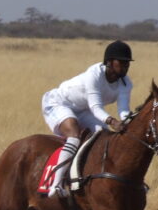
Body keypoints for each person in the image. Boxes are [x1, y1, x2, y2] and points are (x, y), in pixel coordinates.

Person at [40, 40, 134, 198]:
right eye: (122, 62)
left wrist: (126, 120)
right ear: (109, 62)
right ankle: (56, 185)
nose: (125, 66)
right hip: (57, 103)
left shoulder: (125, 83)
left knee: (102, 135)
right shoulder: (94, 75)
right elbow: (96, 107)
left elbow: (123, 109)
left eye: (127, 63)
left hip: (83, 109)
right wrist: (113, 122)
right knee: (74, 134)